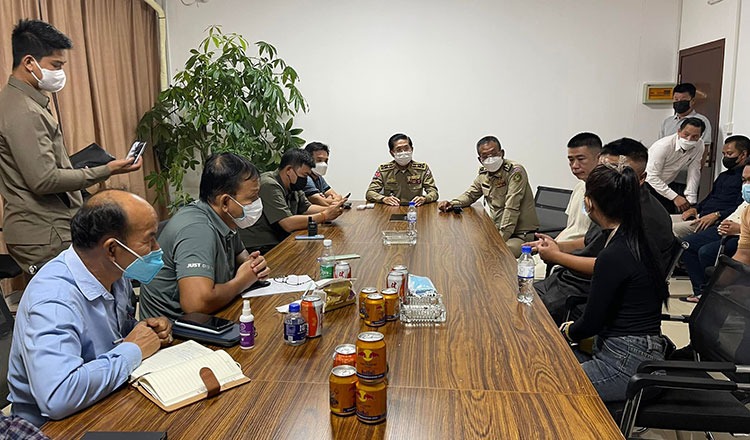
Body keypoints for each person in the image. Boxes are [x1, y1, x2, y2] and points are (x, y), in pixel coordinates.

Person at [7, 190, 172, 427]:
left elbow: (115, 334)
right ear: (112, 249)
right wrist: (133, 349)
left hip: (105, 401)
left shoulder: (115, 273)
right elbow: (58, 396)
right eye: (149, 239)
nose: (157, 248)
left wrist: (145, 331)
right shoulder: (53, 300)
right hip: (51, 428)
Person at [0, 19, 141, 274]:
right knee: (62, 303)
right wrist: (106, 170)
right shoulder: (23, 111)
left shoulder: (23, 102)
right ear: (29, 62)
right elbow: (43, 180)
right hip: (45, 231)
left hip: (47, 227)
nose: (60, 73)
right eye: (55, 65)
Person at [530, 138, 673, 324]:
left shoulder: (646, 216)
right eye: (603, 168)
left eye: (620, 171)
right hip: (569, 280)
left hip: (586, 292)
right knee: (508, 296)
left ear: (641, 178)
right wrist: (557, 246)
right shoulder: (608, 198)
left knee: (520, 315)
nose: (609, 176)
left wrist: (557, 257)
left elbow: (611, 266)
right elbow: (591, 240)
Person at [559, 163, 668, 402]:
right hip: (639, 350)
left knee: (549, 387)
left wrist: (567, 330)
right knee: (549, 363)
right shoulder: (637, 238)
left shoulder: (615, 253)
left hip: (625, 362)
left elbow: (591, 322)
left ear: (589, 202)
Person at [139, 153, 271, 321]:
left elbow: (243, 258)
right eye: (251, 198)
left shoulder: (225, 219)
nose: (257, 203)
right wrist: (241, 281)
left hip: (210, 317)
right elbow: (196, 304)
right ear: (225, 202)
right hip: (173, 332)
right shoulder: (197, 230)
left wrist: (254, 266)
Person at [437, 135, 538, 257]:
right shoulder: (484, 174)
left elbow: (511, 208)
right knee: (465, 244)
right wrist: (452, 203)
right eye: (485, 156)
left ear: (502, 153)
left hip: (520, 235)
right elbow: (470, 195)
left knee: (493, 254)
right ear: (480, 159)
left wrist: (498, 240)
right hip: (496, 230)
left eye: (494, 154)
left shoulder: (515, 171)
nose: (490, 159)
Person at [240, 149, 347, 253]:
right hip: (261, 247)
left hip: (280, 240)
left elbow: (306, 208)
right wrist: (324, 215)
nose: (305, 180)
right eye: (304, 175)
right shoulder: (269, 185)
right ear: (289, 170)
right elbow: (288, 223)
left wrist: (332, 209)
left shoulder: (293, 185)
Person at [670, 135, 748, 238]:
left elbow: (740, 208)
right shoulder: (723, 176)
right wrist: (695, 209)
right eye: (724, 154)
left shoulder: (745, 180)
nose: (725, 158)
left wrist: (717, 215)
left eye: (729, 154)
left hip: (715, 221)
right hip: (701, 215)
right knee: (662, 220)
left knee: (670, 229)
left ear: (743, 154)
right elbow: (710, 197)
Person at [646, 117, 706, 214]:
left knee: (667, 216)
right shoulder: (663, 146)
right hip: (648, 185)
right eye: (686, 134)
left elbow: (694, 170)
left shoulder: (699, 145)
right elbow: (651, 176)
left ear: (700, 136)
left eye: (695, 137)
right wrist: (675, 197)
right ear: (679, 131)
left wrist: (691, 200)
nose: (689, 139)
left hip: (667, 184)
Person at [366, 133, 439, 206]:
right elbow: (370, 193)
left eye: (406, 148)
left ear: (412, 149)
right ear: (392, 153)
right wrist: (383, 199)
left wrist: (425, 198)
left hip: (415, 209)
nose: (403, 152)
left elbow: (434, 192)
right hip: (391, 209)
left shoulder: (422, 169)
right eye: (399, 150)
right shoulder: (384, 170)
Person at [557, 132, 602, 242]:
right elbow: (572, 229)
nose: (575, 166)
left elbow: (596, 240)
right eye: (571, 160)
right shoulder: (580, 186)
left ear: (599, 158)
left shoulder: (606, 191)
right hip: (560, 247)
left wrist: (557, 249)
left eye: (581, 159)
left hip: (578, 253)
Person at [659, 83, 712, 148]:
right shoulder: (667, 122)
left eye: (683, 100)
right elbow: (660, 145)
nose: (679, 102)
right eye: (676, 99)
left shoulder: (702, 121)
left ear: (692, 101)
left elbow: (705, 146)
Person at [303, 142, 343, 206]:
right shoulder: (305, 178)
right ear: (308, 160)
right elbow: (319, 201)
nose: (324, 164)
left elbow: (336, 196)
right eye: (319, 160)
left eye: (326, 161)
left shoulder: (318, 177)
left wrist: (331, 199)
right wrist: (330, 200)